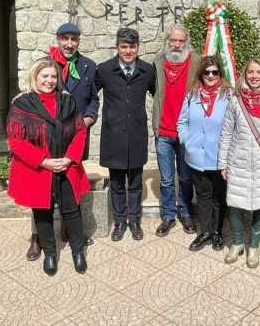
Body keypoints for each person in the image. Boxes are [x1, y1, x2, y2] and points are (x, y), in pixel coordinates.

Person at [7, 57, 90, 276]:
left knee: (72, 210)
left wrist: (70, 158)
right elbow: (16, 141)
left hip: (66, 166)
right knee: (42, 213)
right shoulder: (22, 104)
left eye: (54, 76)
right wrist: (43, 161)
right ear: (35, 77)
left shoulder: (68, 102)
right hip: (39, 169)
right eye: (45, 76)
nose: (50, 80)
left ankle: (78, 252)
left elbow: (80, 130)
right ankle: (51, 254)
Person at [25, 22, 99, 261]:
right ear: (58, 39)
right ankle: (38, 237)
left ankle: (71, 230)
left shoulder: (88, 66)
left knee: (71, 184)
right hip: (46, 140)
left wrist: (88, 119)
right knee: (40, 189)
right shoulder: (46, 65)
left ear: (79, 41)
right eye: (64, 38)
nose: (69, 44)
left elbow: (93, 100)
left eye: (73, 39)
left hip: (74, 139)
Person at [218, 58, 260, 268]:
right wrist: (223, 163)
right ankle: (238, 242)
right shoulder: (235, 101)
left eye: (259, 72)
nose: (254, 76)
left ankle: (254, 246)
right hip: (237, 161)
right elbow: (227, 133)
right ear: (244, 75)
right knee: (235, 204)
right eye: (250, 72)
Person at [95, 28, 156, 242]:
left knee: (136, 183)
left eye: (132, 46)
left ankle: (135, 221)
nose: (128, 50)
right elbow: (90, 95)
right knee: (118, 183)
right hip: (114, 135)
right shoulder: (104, 70)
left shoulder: (147, 70)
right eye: (124, 46)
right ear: (117, 47)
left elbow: (159, 96)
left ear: (138, 47)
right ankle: (120, 222)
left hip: (137, 135)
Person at [177, 56, 231, 252]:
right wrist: (187, 141)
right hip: (196, 156)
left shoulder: (228, 95)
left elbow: (234, 125)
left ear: (220, 74)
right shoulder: (192, 95)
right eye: (206, 72)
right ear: (200, 73)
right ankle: (205, 232)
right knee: (203, 196)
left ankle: (217, 232)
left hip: (219, 157)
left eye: (214, 72)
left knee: (219, 196)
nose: (210, 75)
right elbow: (181, 122)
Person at [152, 25, 200, 237]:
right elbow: (154, 91)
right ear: (167, 41)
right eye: (173, 40)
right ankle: (168, 216)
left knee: (186, 177)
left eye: (181, 41)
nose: (177, 45)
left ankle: (186, 212)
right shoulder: (157, 63)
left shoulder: (197, 62)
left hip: (187, 132)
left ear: (187, 42)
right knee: (166, 179)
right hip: (163, 131)